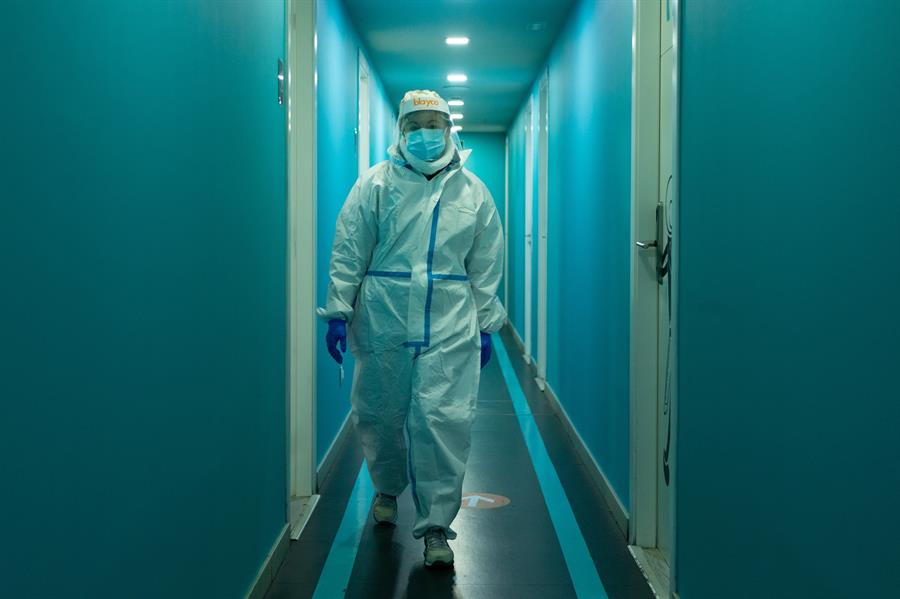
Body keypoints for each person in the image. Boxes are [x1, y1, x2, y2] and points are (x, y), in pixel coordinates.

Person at [317, 90, 505, 568]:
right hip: (383, 319)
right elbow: (349, 247)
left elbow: (485, 264)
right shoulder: (375, 185)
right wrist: (339, 309)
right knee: (379, 413)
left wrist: (486, 322)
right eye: (416, 124)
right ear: (401, 131)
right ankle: (386, 488)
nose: (426, 133)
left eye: (434, 123)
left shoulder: (473, 192)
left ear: (449, 128)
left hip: (449, 320)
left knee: (443, 421)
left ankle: (437, 527)